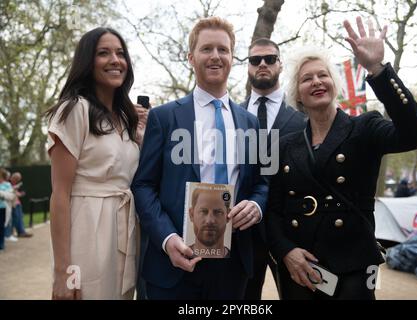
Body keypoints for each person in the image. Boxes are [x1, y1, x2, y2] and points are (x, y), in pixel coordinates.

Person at [265, 17, 417, 300]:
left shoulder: (365, 128)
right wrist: (285, 251)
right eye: (307, 79)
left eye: (323, 75)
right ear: (298, 95)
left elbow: (415, 133)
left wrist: (378, 70)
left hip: (354, 268)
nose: (316, 81)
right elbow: (271, 209)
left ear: (334, 84)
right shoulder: (283, 145)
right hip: (301, 269)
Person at [132, 16, 268, 300]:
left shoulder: (251, 123)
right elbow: (143, 185)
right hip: (173, 263)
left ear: (233, 57)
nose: (215, 56)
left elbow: (262, 183)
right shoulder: (164, 117)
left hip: (232, 268)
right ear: (191, 57)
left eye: (223, 49)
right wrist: (167, 239)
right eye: (207, 49)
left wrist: (256, 205)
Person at [45, 27, 147, 300]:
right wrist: (63, 270)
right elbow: (60, 194)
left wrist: (140, 138)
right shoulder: (74, 109)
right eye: (104, 53)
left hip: (124, 232)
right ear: (87, 62)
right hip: (86, 231)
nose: (115, 60)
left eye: (120, 53)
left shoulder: (126, 119)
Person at [241, 38, 306, 299]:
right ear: (248, 67)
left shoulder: (304, 113)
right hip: (244, 229)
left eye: (270, 58)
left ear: (280, 64)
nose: (263, 64)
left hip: (293, 230)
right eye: (256, 60)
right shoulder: (232, 113)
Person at [188, 188, 231, 258]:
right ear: (191, 214)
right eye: (203, 211)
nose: (210, 221)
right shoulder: (180, 255)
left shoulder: (237, 259)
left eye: (218, 212)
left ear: (228, 215)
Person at [9, 172, 33, 238]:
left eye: (18, 179)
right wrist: (15, 191)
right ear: (12, 177)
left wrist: (19, 193)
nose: (16, 180)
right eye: (16, 178)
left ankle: (21, 232)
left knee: (20, 217)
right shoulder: (8, 182)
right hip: (11, 203)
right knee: (15, 218)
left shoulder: (19, 184)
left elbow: (23, 192)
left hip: (18, 203)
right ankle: (10, 233)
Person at [0, 168, 16, 251]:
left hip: (3, 209)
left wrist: (2, 194)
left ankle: (1, 244)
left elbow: (11, 196)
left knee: (1, 227)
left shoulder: (7, 185)